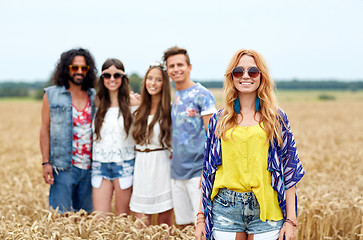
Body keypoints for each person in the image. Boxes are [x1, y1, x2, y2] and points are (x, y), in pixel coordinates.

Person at [195, 49, 305, 240]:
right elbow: (208, 172)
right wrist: (200, 217)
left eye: (253, 71)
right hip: (225, 208)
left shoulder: (277, 119)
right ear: (231, 77)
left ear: (262, 76)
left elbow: (289, 170)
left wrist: (291, 220)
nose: (245, 76)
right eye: (238, 71)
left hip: (267, 209)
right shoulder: (218, 120)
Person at [162, 46, 217, 227]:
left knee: (201, 225)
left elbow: (213, 136)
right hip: (177, 173)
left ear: (189, 67)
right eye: (171, 66)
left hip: (197, 172)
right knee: (184, 225)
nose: (176, 69)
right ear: (167, 70)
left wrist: (207, 171)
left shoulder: (203, 95)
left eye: (180, 64)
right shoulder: (176, 96)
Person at [40, 48, 97, 213]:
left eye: (84, 68)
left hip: (90, 168)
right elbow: (45, 129)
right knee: (61, 219)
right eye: (75, 67)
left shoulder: (93, 95)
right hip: (63, 168)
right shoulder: (51, 95)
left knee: (86, 219)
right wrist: (45, 162)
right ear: (66, 69)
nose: (79, 72)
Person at [92, 58, 139, 216]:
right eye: (107, 75)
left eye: (116, 75)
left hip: (124, 165)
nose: (112, 79)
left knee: (123, 218)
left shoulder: (133, 102)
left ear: (123, 78)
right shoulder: (96, 103)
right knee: (100, 219)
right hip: (99, 165)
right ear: (102, 78)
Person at [129, 62, 173, 226]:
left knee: (164, 222)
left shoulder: (169, 110)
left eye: (158, 80)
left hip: (161, 165)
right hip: (141, 166)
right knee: (141, 223)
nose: (152, 83)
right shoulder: (137, 109)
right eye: (149, 78)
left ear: (164, 84)